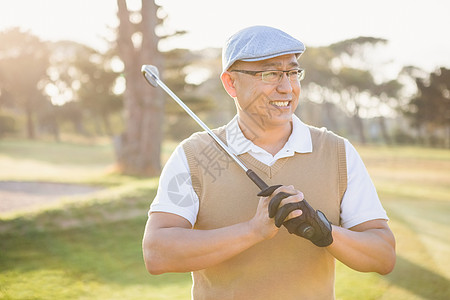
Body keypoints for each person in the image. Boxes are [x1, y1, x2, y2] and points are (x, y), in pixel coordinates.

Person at [142, 25, 396, 299]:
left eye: (292, 72)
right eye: (270, 73)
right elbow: (157, 253)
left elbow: (383, 256)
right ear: (231, 83)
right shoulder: (194, 155)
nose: (286, 88)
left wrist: (324, 230)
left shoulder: (337, 152)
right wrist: (252, 231)